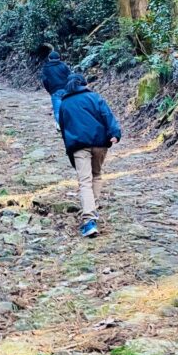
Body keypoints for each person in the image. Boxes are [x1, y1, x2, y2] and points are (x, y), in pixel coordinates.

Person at [57, 74, 121, 237]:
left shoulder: (64, 103)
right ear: (84, 84)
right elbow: (107, 115)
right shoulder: (94, 97)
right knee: (97, 175)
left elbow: (64, 128)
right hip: (99, 143)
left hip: (78, 145)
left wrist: (69, 149)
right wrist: (115, 133)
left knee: (85, 181)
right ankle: (93, 207)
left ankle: (89, 220)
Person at [40, 50, 72, 126]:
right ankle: (70, 125)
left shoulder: (46, 68)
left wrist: (49, 91)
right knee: (68, 109)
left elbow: (45, 81)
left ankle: (61, 126)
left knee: (57, 111)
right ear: (59, 58)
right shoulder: (63, 65)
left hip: (55, 91)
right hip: (66, 89)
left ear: (49, 58)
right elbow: (70, 76)